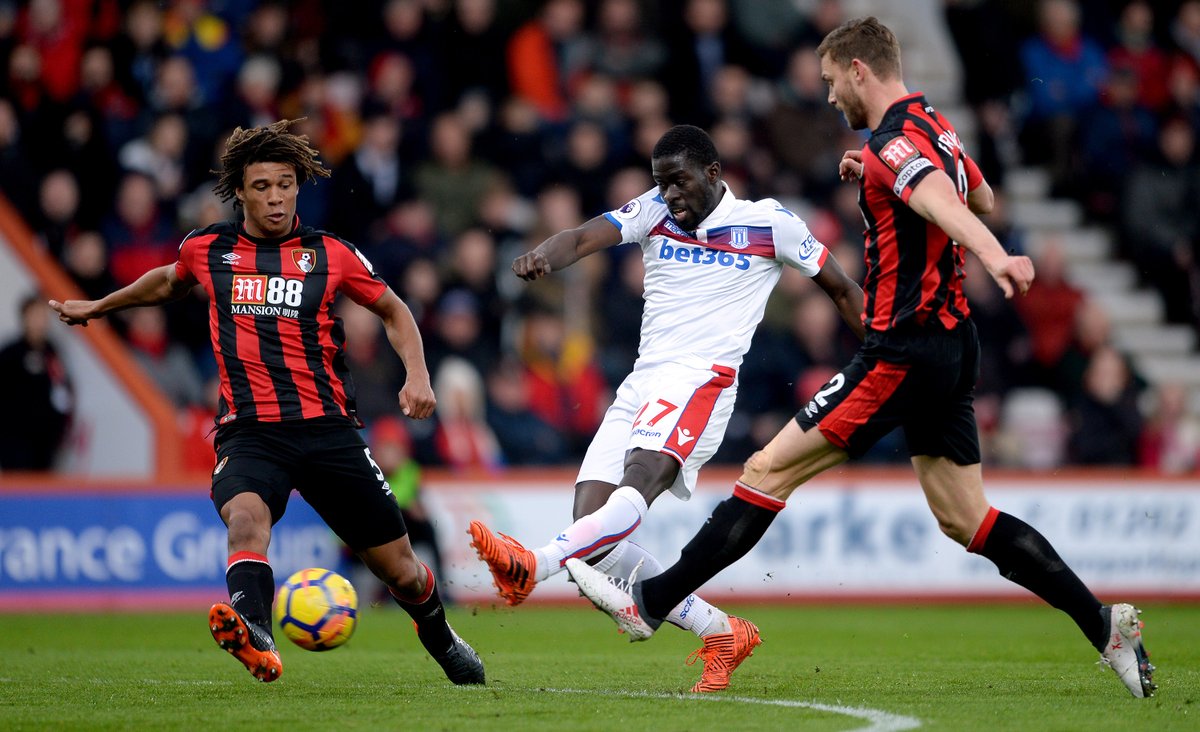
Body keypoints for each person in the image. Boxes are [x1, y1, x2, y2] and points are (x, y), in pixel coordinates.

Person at [566, 17, 1156, 700]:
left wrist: (995, 255)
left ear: (857, 69)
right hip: (952, 342)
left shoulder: (894, 144)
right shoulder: (935, 124)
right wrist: (883, 177)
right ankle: (1103, 624)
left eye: (829, 82)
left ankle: (653, 601)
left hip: (901, 348)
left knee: (767, 471)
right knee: (966, 518)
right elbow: (981, 194)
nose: (827, 97)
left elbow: (941, 198)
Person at [48, 119, 484, 686]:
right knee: (245, 520)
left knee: (401, 571)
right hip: (250, 431)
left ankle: (442, 639)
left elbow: (394, 310)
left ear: (298, 186)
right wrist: (99, 306)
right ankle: (256, 633)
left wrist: (418, 375)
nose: (275, 197)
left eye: (285, 184)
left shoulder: (330, 254)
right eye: (261, 186)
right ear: (241, 192)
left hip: (328, 430)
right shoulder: (209, 249)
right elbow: (167, 281)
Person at [468, 123, 864, 692]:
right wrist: (542, 256)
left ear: (713, 173)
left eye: (679, 182)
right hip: (642, 381)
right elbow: (581, 238)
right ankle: (721, 631)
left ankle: (534, 565)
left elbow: (844, 290)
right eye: (662, 183)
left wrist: (888, 352)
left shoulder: (770, 224)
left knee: (637, 484)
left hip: (702, 381)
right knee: (592, 532)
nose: (670, 194)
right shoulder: (653, 210)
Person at [0, 294, 73, 471]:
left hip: (46, 439)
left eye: (42, 315)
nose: (39, 321)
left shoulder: (52, 352)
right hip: (15, 440)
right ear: (24, 317)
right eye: (34, 315)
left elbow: (62, 387)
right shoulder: (11, 353)